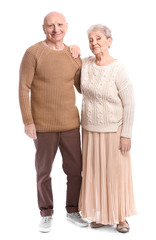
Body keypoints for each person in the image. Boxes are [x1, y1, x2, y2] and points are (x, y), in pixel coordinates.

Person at [19, 11, 88, 233]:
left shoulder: (72, 54)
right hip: (43, 126)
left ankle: (72, 210)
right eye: (51, 26)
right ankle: (46, 213)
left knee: (75, 170)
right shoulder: (33, 53)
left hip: (70, 124)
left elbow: (80, 87)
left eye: (59, 24)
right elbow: (23, 88)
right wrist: (28, 121)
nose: (55, 29)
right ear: (43, 28)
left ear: (66, 26)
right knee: (43, 172)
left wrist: (80, 57)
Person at [76, 24, 137, 233]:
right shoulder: (85, 64)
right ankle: (102, 215)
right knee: (94, 174)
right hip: (90, 130)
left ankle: (120, 218)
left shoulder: (117, 68)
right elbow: (71, 63)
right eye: (91, 40)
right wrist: (74, 48)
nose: (94, 43)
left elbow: (129, 102)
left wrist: (126, 135)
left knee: (115, 174)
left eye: (99, 38)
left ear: (109, 41)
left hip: (114, 131)